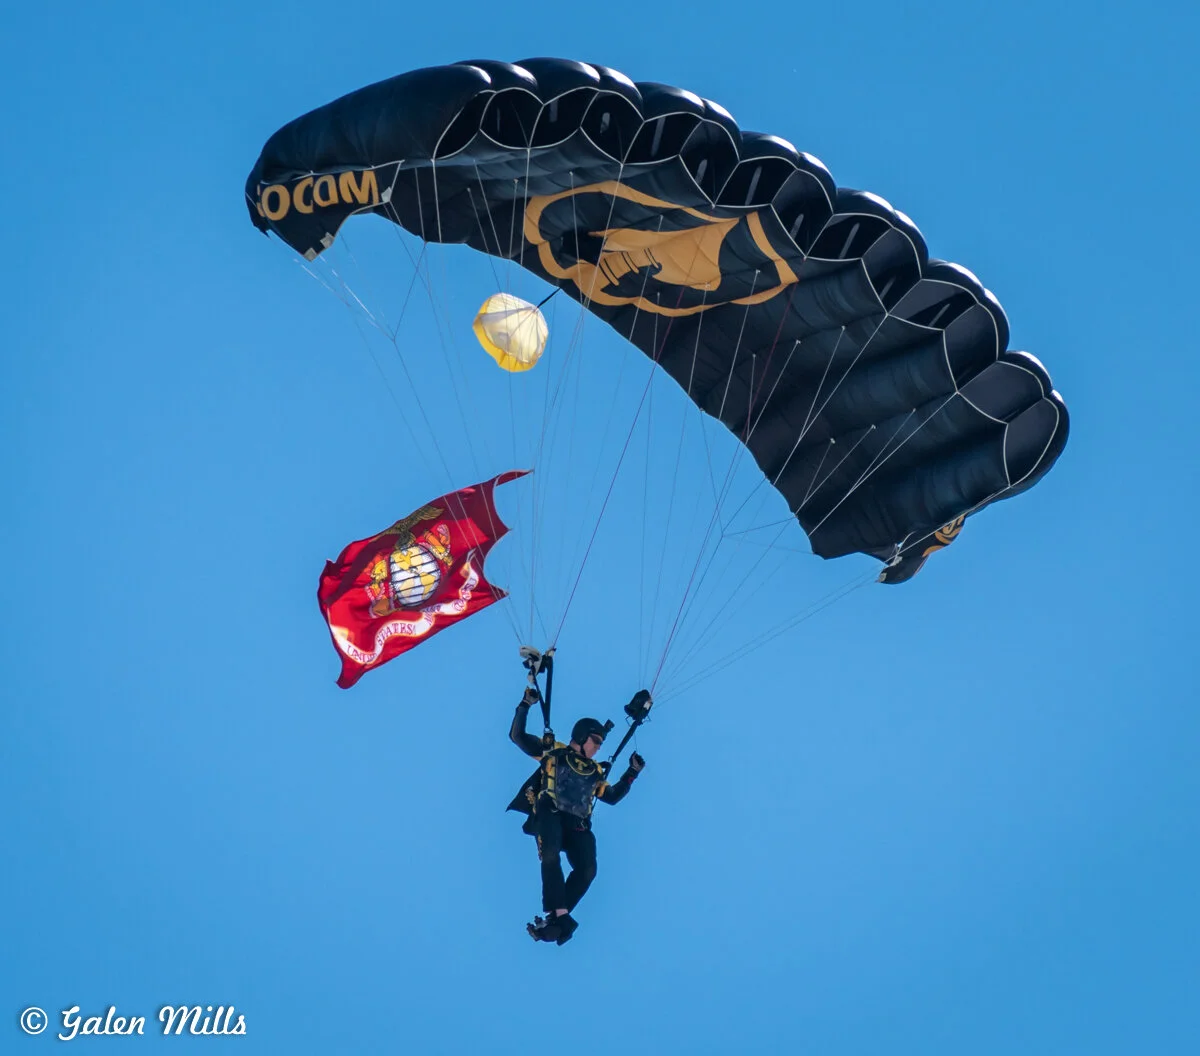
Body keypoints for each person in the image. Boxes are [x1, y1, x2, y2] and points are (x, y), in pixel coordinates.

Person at [508, 686, 646, 944]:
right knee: (550, 854)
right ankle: (557, 914)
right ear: (582, 736)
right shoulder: (555, 752)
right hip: (550, 813)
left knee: (588, 870)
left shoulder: (595, 771)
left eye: (600, 744)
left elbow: (612, 797)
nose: (598, 748)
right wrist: (525, 704)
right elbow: (517, 736)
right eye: (596, 741)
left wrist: (631, 773)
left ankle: (558, 919)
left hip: (578, 824)